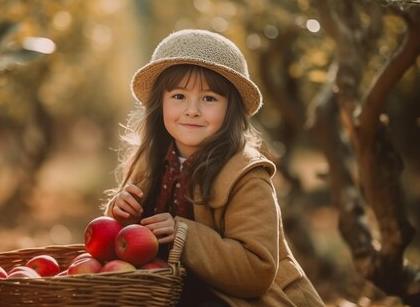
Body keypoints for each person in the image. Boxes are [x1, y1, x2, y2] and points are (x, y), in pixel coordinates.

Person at [103, 29, 324, 306]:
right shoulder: (149, 164)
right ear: (160, 103)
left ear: (230, 108)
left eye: (209, 98)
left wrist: (185, 236)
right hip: (168, 292)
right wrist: (120, 218)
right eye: (179, 96)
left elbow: (257, 271)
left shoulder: (246, 175)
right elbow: (124, 249)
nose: (192, 109)